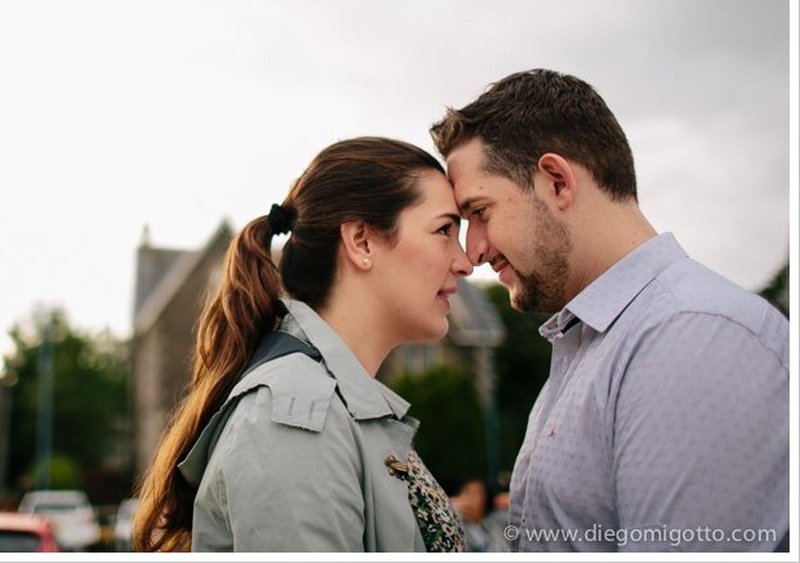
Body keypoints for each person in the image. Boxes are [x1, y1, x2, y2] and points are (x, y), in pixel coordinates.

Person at [429, 69, 790, 553]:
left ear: (557, 181)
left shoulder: (691, 337)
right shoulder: (598, 340)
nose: (473, 252)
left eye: (481, 212)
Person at [132, 137, 473, 552]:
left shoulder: (334, 409)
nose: (465, 261)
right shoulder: (293, 423)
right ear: (362, 242)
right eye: (443, 230)